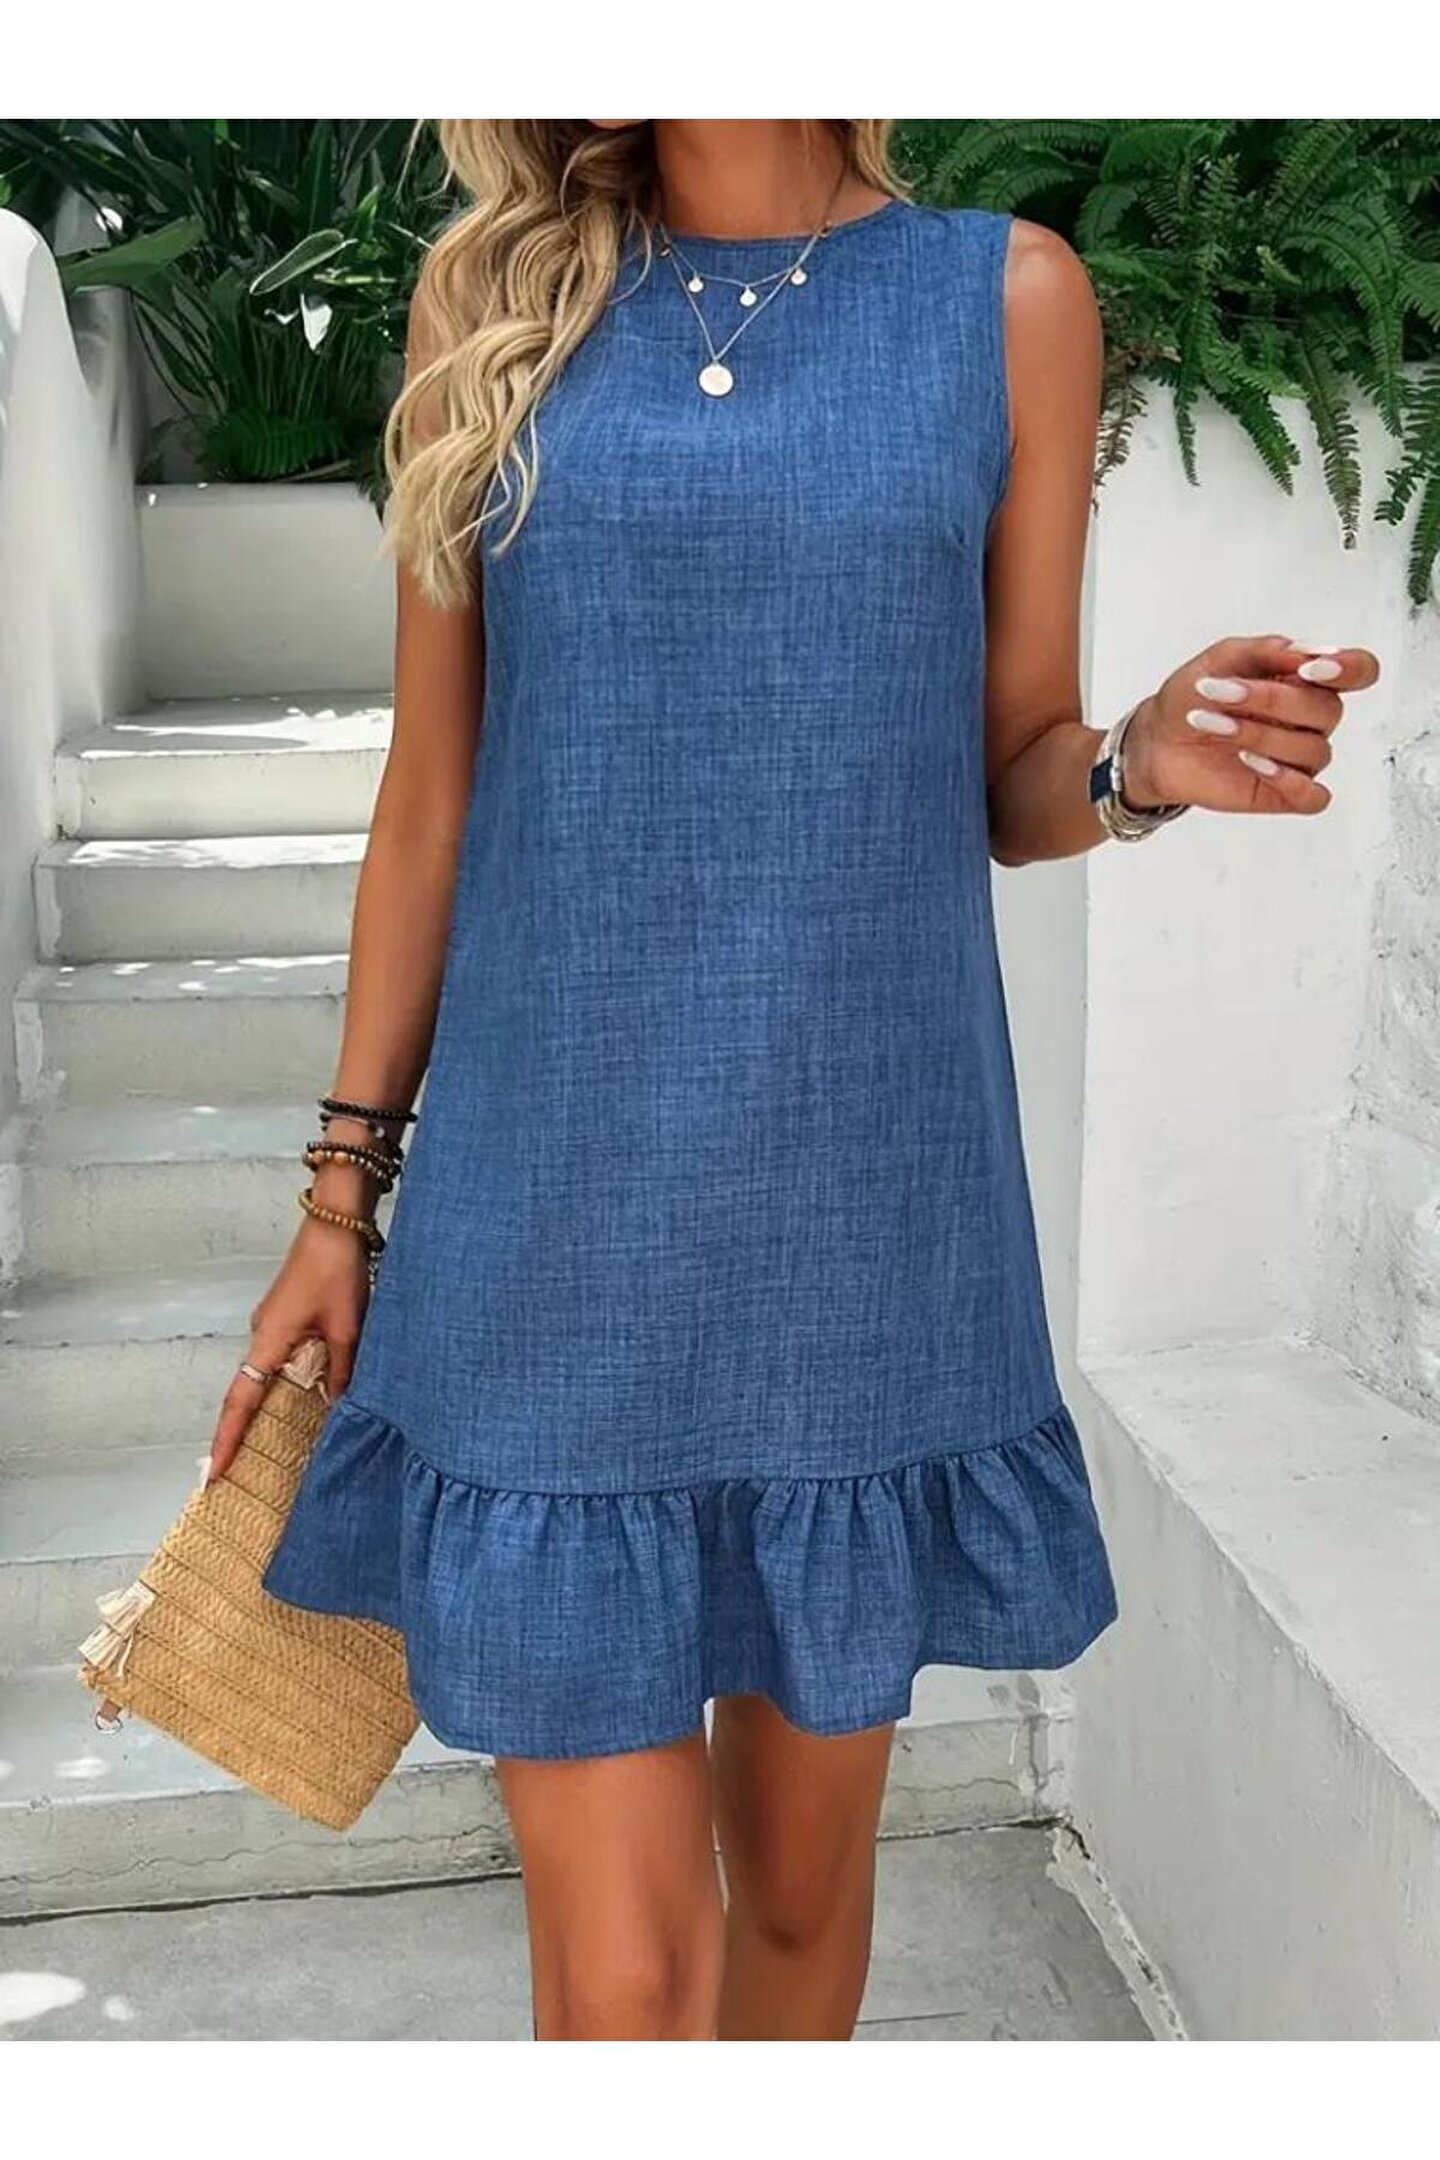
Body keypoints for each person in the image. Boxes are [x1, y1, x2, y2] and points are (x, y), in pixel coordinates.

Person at [209, 120, 1379, 2041]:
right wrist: (343, 1191)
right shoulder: (489, 297)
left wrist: (1134, 766)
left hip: (862, 1213)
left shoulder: (1007, 299)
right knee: (624, 1984)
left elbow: (1014, 763)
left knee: (801, 1909)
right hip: (552, 1223)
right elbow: (430, 799)